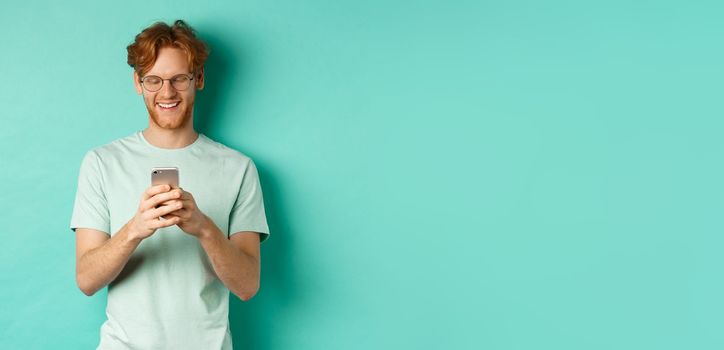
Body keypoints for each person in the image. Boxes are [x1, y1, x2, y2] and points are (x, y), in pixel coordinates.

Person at [69, 19, 270, 349]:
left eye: (179, 79)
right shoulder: (102, 163)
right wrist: (136, 228)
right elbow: (86, 280)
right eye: (153, 80)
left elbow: (247, 285)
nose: (166, 92)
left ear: (199, 79)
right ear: (138, 83)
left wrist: (203, 227)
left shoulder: (238, 168)